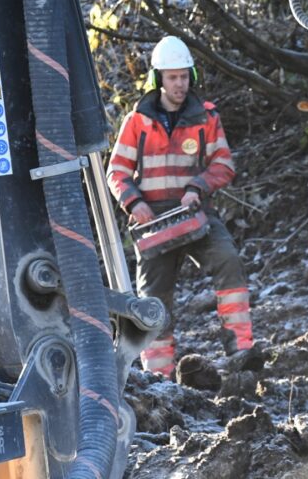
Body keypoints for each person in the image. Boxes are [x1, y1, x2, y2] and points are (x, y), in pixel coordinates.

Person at [107, 36, 254, 378]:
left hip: (195, 213)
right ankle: (159, 379)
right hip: (153, 221)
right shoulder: (137, 121)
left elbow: (223, 164)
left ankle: (241, 352)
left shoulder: (206, 117)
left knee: (228, 261)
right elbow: (117, 171)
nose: (180, 84)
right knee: (154, 299)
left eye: (184, 77)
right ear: (159, 79)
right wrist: (135, 203)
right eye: (172, 77)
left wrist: (197, 187)